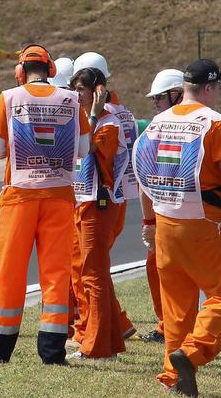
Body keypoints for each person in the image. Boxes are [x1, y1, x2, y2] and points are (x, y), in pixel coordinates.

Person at [133, 58, 221, 396]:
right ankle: (189, 355)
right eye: (217, 87)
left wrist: (149, 220)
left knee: (177, 309)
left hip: (165, 224)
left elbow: (142, 177)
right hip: (203, 225)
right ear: (209, 87)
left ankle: (172, 379)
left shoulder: (156, 124)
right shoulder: (215, 124)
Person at [0, 44, 91, 364]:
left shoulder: (8, 98)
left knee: (9, 272)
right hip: (59, 196)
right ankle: (51, 352)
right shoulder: (72, 100)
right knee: (57, 274)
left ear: (20, 72)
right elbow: (84, 150)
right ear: (51, 71)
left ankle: (1, 350)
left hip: (20, 196)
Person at [68, 51, 137, 348]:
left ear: (97, 90)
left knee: (93, 275)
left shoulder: (108, 123)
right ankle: (113, 335)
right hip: (86, 202)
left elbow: (89, 150)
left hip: (101, 203)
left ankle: (95, 345)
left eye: (79, 89)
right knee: (92, 272)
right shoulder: (86, 119)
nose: (74, 95)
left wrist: (93, 112)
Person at [137, 68, 185, 345]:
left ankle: (177, 326)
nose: (155, 102)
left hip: (184, 213)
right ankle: (167, 325)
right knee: (156, 268)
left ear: (177, 94)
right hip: (163, 211)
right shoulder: (156, 126)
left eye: (160, 97)